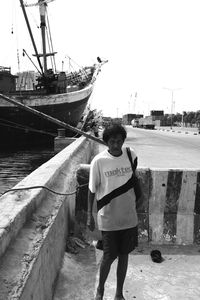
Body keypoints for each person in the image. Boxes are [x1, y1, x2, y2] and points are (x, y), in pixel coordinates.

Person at [87, 124, 139, 300]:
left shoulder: (131, 155)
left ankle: (119, 293)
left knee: (124, 255)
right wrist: (89, 215)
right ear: (106, 142)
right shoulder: (99, 161)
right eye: (112, 142)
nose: (116, 145)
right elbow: (92, 190)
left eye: (119, 141)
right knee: (109, 255)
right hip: (108, 218)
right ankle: (100, 289)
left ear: (123, 141)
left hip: (129, 217)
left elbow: (134, 180)